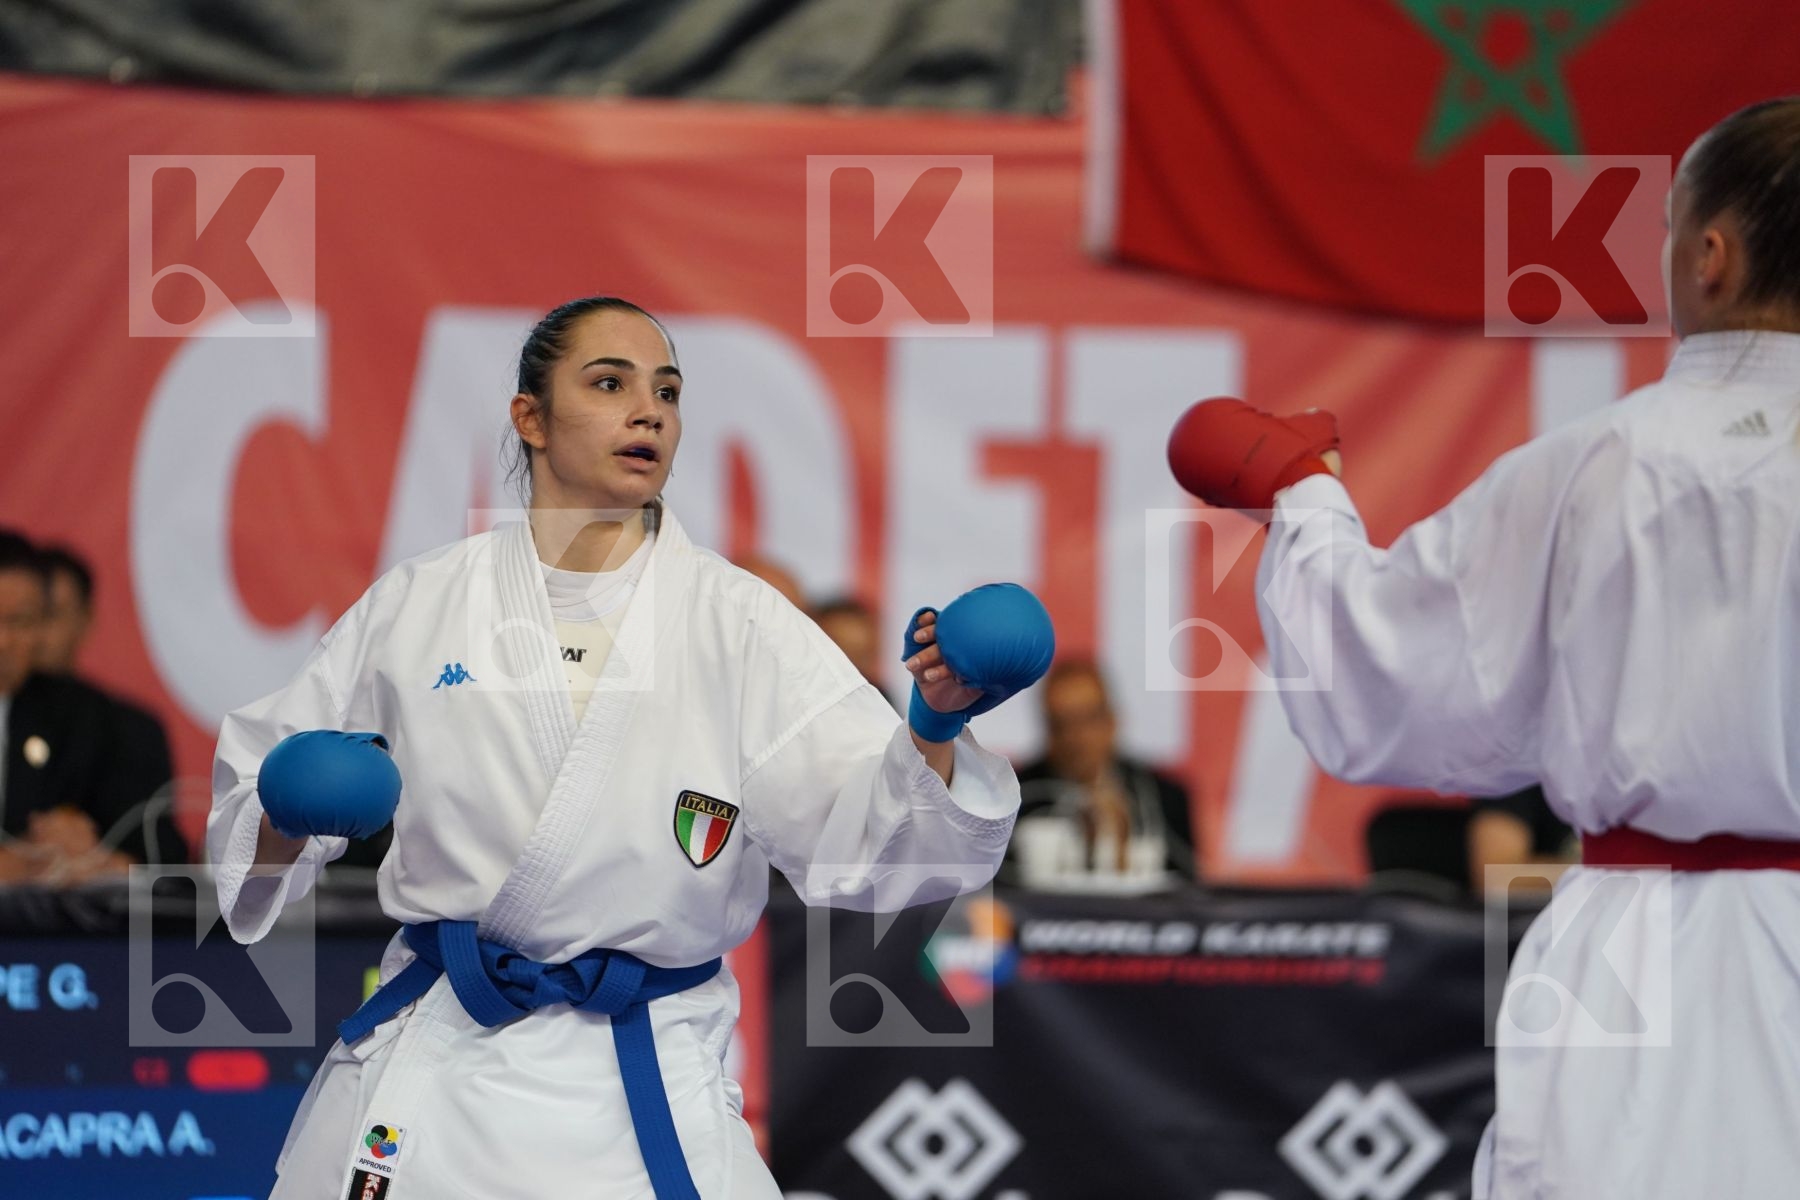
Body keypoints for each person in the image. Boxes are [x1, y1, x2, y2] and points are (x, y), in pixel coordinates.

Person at [208, 296, 1053, 1200]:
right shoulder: (419, 606)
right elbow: (251, 834)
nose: (648, 411)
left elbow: (876, 856)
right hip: (441, 1071)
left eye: (668, 392)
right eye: (609, 384)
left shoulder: (740, 623)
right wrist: (287, 805)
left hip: (644, 1080)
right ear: (530, 418)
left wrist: (932, 724)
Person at [1170, 99, 1800, 1198]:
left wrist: (1304, 499)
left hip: (1636, 970)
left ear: (1713, 254)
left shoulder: (1601, 463)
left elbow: (1386, 683)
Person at [0, 533, 181, 883]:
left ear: (40, 628)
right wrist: (20, 862)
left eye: (19, 622)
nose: (3, 641)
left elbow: (160, 859)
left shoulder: (93, 722)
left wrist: (87, 858)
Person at [1007, 659, 1196, 884]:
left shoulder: (1162, 797)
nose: (1076, 737)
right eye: (1061, 724)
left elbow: (1188, 894)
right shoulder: (1015, 796)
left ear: (1112, 720)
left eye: (1087, 719)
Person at [813, 595, 884, 692]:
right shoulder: (794, 696)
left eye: (861, 655)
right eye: (844, 652)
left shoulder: (881, 699)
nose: (854, 667)